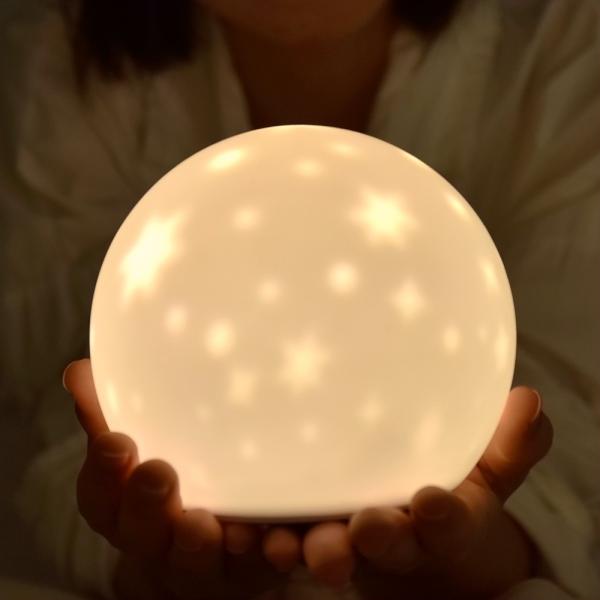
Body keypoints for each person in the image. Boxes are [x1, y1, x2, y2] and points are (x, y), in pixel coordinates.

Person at [1, 0, 599, 598]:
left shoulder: (569, 49)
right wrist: (156, 570)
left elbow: (573, 421)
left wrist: (470, 553)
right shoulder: (45, 70)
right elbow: (56, 425)